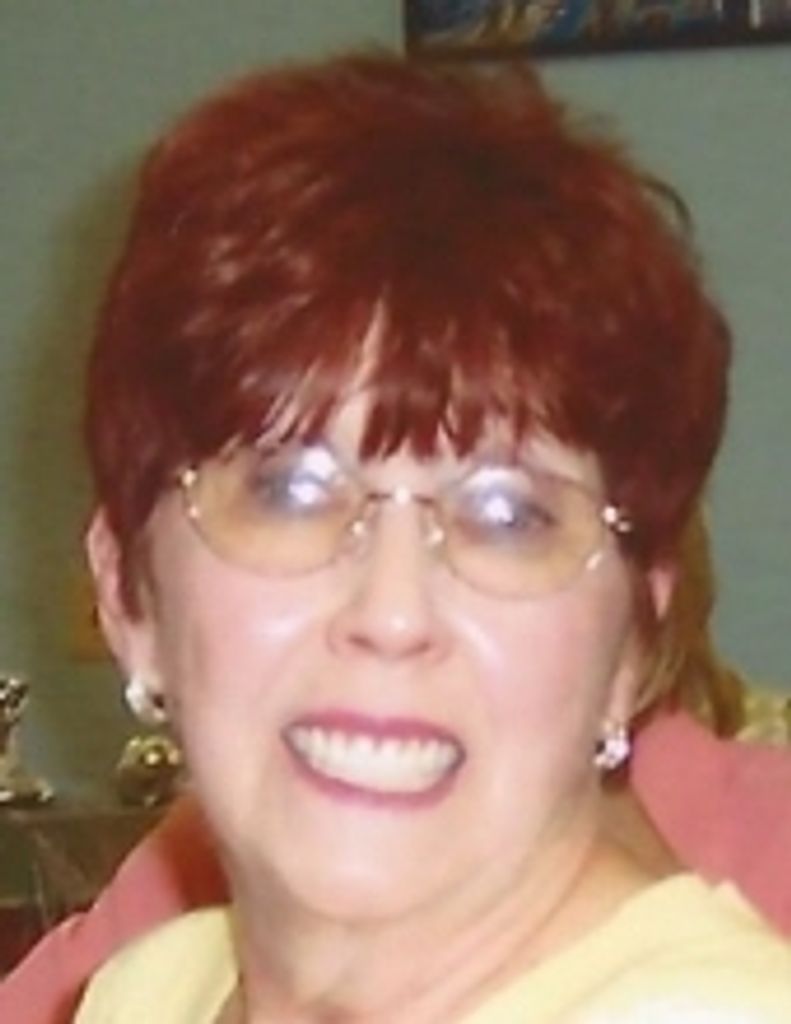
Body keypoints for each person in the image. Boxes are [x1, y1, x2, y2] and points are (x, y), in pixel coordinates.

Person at [24, 51, 791, 1021]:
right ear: (127, 592)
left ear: (634, 644)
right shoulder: (151, 990)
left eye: (506, 515)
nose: (391, 613)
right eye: (291, 491)